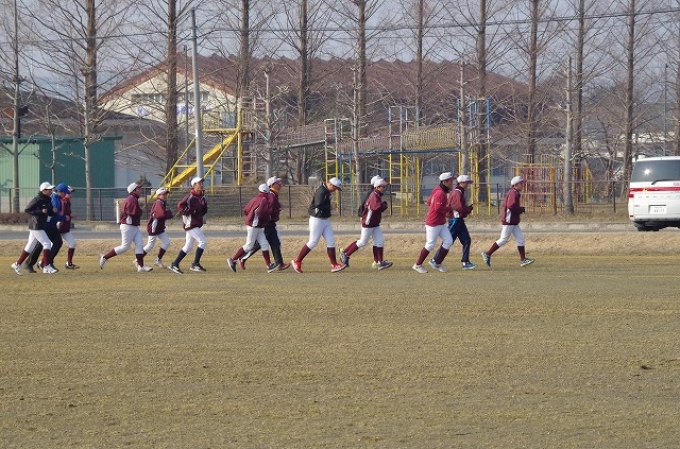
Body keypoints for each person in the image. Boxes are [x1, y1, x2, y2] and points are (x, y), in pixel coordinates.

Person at [291, 177, 346, 273]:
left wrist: (328, 208)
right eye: (335, 188)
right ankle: (297, 261)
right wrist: (330, 207)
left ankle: (334, 265)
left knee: (331, 242)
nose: (335, 190)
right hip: (317, 219)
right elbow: (318, 205)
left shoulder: (326, 191)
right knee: (313, 242)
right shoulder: (321, 191)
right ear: (330, 184)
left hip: (324, 219)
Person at [481, 175, 536, 268]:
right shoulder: (513, 193)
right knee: (503, 239)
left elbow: (512, 206)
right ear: (516, 185)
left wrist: (520, 209)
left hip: (513, 221)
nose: (523, 185)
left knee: (521, 239)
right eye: (521, 183)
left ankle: (523, 260)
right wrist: (520, 209)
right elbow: (511, 206)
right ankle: (488, 253)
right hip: (509, 220)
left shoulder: (515, 192)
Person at [238, 176, 291, 271]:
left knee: (271, 242)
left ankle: (279, 263)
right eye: (277, 184)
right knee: (263, 243)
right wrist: (272, 214)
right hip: (267, 223)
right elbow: (266, 209)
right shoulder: (270, 195)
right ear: (271, 185)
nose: (280, 185)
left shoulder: (274, 194)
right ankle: (243, 258)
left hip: (270, 222)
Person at [339, 177, 392, 270]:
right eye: (383, 187)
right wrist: (384, 204)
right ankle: (346, 253)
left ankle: (380, 262)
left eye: (385, 187)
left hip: (374, 223)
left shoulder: (377, 194)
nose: (385, 188)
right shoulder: (374, 195)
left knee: (379, 241)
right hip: (368, 222)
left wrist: (382, 204)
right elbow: (376, 207)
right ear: (377, 187)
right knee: (363, 241)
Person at [99, 182, 153, 272]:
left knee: (140, 244)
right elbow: (133, 212)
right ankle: (105, 257)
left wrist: (139, 211)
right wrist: (140, 211)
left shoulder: (133, 199)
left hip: (133, 226)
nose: (140, 190)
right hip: (128, 226)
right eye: (138, 189)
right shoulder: (131, 199)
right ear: (133, 190)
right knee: (124, 247)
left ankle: (141, 266)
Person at [431, 174, 477, 270]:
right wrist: (467, 209)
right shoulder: (457, 192)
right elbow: (459, 207)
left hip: (458, 219)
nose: (468, 185)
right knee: (449, 241)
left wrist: (466, 209)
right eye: (466, 183)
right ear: (461, 183)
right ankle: (435, 259)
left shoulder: (458, 191)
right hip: (455, 219)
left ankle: (465, 262)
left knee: (466, 240)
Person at [11, 182, 58, 275]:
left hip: (40, 225)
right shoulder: (37, 199)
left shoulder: (48, 200)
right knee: (47, 243)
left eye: (51, 189)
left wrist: (53, 211)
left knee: (30, 246)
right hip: (36, 225)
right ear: (44, 190)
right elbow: (28, 210)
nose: (51, 191)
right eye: (49, 189)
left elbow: (48, 212)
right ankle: (46, 266)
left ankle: (17, 264)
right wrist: (41, 211)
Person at [412, 172, 455, 274]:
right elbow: (438, 208)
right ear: (444, 182)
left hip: (440, 222)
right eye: (450, 181)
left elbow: (428, 202)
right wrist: (450, 208)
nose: (452, 183)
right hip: (433, 222)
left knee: (448, 241)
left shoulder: (438, 190)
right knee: (430, 244)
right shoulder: (440, 193)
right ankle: (417, 265)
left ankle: (437, 263)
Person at [227, 183, 276, 273]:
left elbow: (246, 210)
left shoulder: (255, 199)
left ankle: (269, 265)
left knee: (264, 244)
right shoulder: (264, 200)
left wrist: (251, 217)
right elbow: (261, 213)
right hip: (255, 225)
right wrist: (266, 219)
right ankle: (233, 260)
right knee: (249, 245)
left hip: (255, 224)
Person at [169, 176, 208, 274]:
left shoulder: (202, 197)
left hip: (195, 224)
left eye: (202, 183)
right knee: (203, 241)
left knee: (188, 246)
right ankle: (195, 264)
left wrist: (200, 213)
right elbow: (180, 206)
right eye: (199, 183)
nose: (201, 185)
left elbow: (204, 209)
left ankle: (175, 264)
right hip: (190, 224)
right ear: (194, 185)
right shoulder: (190, 196)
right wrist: (190, 211)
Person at [24, 183, 65, 273]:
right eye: (65, 192)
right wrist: (64, 218)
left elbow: (50, 212)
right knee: (40, 245)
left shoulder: (52, 199)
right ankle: (31, 263)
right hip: (45, 225)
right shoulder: (51, 198)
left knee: (57, 242)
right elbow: (29, 210)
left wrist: (53, 212)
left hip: (51, 225)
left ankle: (46, 262)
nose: (67, 194)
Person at [143, 186, 174, 268]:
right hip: (154, 227)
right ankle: (138, 259)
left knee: (166, 242)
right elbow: (161, 215)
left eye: (166, 194)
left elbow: (164, 214)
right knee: (150, 245)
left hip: (159, 227)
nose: (165, 195)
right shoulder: (158, 203)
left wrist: (168, 213)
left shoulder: (163, 203)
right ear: (159, 195)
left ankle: (158, 260)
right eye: (163, 194)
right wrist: (169, 214)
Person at [56, 184, 78, 269]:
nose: (71, 194)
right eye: (70, 192)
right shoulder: (63, 201)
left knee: (72, 243)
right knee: (51, 246)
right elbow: (59, 214)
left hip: (65, 228)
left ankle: (69, 263)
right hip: (59, 227)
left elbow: (67, 213)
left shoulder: (67, 201)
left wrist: (70, 215)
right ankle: (42, 262)